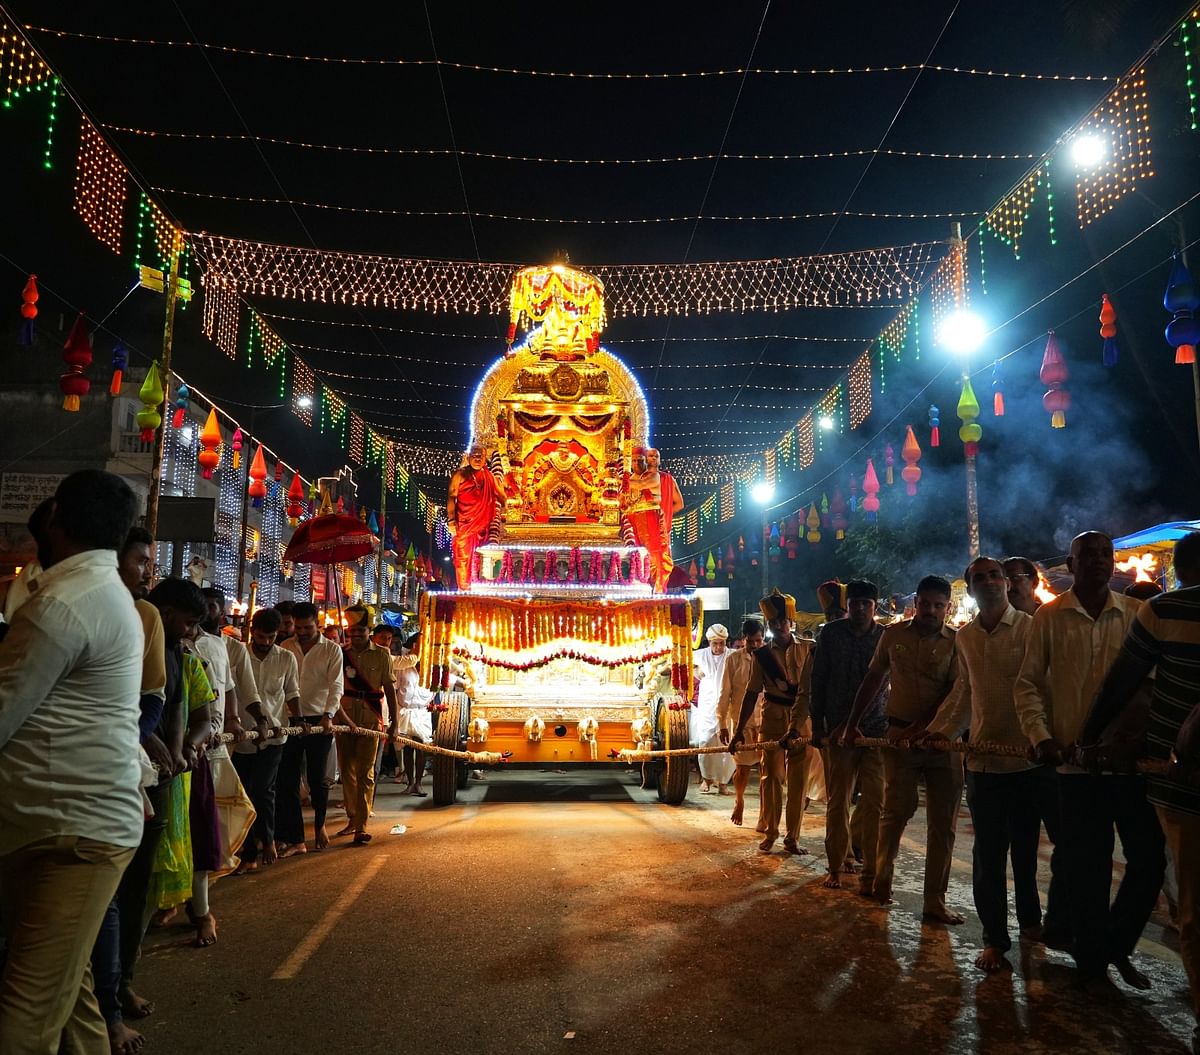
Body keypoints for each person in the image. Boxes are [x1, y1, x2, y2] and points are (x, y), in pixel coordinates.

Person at [0, 470, 143, 1055]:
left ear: (56, 519)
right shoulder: (96, 596)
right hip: (65, 821)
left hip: (68, 827)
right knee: (71, 992)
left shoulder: (62, 606)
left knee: (24, 1014)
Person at [1015, 530, 1165, 991]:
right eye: (1089, 555)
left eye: (1106, 554)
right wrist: (1042, 738)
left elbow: (1149, 688)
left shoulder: (1138, 615)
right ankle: (1094, 964)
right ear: (1071, 564)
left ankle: (1113, 945)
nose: (1100, 561)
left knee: (1149, 861)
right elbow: (1027, 687)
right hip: (1075, 769)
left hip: (1127, 767)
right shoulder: (1049, 618)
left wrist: (1130, 739)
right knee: (1088, 867)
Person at [923, 557, 1052, 971]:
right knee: (988, 858)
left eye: (995, 574)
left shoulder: (1033, 629)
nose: (990, 581)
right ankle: (995, 941)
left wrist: (1043, 739)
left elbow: (1044, 689)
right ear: (971, 589)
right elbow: (964, 694)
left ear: (1007, 582)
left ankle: (1031, 921)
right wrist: (941, 731)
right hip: (983, 765)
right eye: (980, 578)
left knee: (1026, 853)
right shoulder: (967, 639)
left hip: (1028, 763)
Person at [842, 575, 962, 922]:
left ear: (948, 608)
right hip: (899, 739)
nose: (931, 610)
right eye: (925, 603)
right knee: (894, 812)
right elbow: (874, 679)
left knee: (943, 823)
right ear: (915, 603)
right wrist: (852, 723)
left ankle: (934, 902)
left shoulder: (957, 642)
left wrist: (922, 727)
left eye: (939, 605)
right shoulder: (893, 636)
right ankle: (877, 880)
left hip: (943, 741)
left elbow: (953, 693)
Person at [184, 588, 256, 948]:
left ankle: (201, 910)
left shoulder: (216, 646)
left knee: (204, 830)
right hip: (170, 754)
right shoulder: (161, 645)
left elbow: (225, 689)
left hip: (206, 751)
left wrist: (231, 722)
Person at [145, 580, 216, 924]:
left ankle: (199, 913)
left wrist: (182, 747)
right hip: (138, 767)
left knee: (193, 841)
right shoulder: (136, 646)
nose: (190, 632)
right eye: (188, 623)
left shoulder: (182, 656)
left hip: (176, 769)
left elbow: (193, 713)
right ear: (166, 613)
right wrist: (153, 744)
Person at [811, 579, 886, 894]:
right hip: (839, 731)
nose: (859, 609)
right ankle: (836, 865)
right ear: (847, 605)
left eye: (865, 604)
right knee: (838, 800)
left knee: (875, 800)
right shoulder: (830, 635)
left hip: (876, 729)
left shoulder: (886, 637)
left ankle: (870, 869)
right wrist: (817, 725)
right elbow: (819, 680)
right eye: (854, 603)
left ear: (875, 607)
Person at [728, 589, 813, 855]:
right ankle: (771, 832)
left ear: (791, 622)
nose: (779, 626)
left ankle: (793, 837)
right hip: (773, 720)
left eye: (783, 621)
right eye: (774, 622)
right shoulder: (762, 656)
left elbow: (816, 689)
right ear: (769, 625)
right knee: (771, 778)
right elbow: (751, 693)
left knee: (799, 783)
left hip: (802, 721)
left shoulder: (809, 649)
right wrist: (739, 730)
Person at [234, 607, 300, 873]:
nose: (264, 643)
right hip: (241, 736)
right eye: (260, 637)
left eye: (270, 637)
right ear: (252, 632)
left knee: (263, 791)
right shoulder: (238, 655)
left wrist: (299, 719)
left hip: (274, 736)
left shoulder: (286, 658)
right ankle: (248, 853)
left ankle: (269, 839)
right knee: (243, 795)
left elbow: (292, 692)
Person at [277, 602, 346, 855]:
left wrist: (328, 716)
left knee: (318, 779)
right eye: (299, 627)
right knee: (287, 780)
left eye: (308, 627)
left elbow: (336, 686)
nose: (303, 632)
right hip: (290, 720)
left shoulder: (332, 650)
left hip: (319, 721)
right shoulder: (285, 647)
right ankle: (295, 839)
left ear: (318, 624)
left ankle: (319, 826)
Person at [334, 605, 397, 845]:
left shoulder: (382, 655)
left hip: (371, 719)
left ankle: (361, 825)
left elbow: (389, 690)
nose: (357, 635)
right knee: (347, 772)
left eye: (361, 631)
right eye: (353, 631)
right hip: (345, 719)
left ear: (368, 631)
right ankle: (352, 817)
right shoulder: (340, 653)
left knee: (366, 773)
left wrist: (394, 723)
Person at [717, 619, 766, 829]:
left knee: (768, 772)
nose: (755, 645)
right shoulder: (733, 660)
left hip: (766, 721)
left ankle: (765, 814)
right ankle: (739, 800)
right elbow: (725, 693)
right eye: (751, 641)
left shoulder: (769, 657)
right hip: (741, 723)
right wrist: (723, 724)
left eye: (758, 640)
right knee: (743, 769)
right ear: (743, 639)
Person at [447, 444, 502, 588]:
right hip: (464, 524)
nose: (477, 459)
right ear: (468, 457)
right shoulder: (460, 474)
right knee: (462, 558)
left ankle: (479, 587)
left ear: (485, 459)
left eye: (481, 456)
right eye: (475, 456)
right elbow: (452, 497)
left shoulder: (488, 475)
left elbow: (501, 494)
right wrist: (451, 520)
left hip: (483, 525)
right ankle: (464, 589)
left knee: (482, 557)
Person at [693, 624, 735, 794]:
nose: (718, 647)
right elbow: (681, 659)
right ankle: (706, 779)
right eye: (715, 643)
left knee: (727, 744)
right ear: (709, 642)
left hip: (727, 704)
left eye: (721, 643)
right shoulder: (701, 655)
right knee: (705, 742)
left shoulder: (733, 655)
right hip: (707, 703)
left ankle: (723, 782)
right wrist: (696, 671)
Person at [391, 631, 434, 795]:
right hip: (404, 710)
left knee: (421, 747)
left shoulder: (432, 665)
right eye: (418, 644)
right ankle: (410, 782)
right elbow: (394, 689)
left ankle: (418, 782)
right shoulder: (403, 664)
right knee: (407, 747)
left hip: (422, 711)